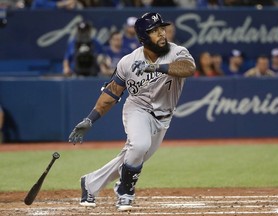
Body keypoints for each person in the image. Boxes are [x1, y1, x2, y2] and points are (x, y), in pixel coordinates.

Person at [68, 12, 196, 211]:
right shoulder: (127, 62)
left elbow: (189, 68)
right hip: (138, 109)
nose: (161, 34)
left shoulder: (177, 52)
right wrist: (90, 119)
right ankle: (125, 191)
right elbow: (111, 94)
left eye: (162, 28)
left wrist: (156, 67)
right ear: (143, 37)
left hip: (163, 118)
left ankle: (90, 183)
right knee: (139, 146)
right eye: (154, 31)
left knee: (132, 157)